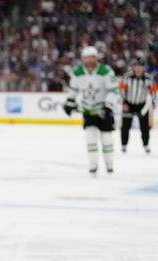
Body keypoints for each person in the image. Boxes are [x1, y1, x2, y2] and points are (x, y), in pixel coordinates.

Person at [63, 46, 119, 175]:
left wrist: (108, 105)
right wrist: (69, 102)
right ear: (83, 59)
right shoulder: (77, 72)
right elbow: (73, 89)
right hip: (88, 110)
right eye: (86, 58)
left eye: (91, 57)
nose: (89, 60)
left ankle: (109, 164)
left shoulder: (106, 71)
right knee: (90, 137)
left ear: (96, 58)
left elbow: (114, 90)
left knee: (106, 138)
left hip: (104, 110)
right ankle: (93, 165)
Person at [119, 57, 154, 154]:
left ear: (143, 68)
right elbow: (121, 90)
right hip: (128, 104)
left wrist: (154, 102)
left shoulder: (148, 78)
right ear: (133, 67)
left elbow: (154, 91)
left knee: (145, 127)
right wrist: (124, 103)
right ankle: (124, 145)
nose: (138, 69)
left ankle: (146, 145)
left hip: (141, 105)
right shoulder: (126, 77)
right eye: (136, 66)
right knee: (125, 126)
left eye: (140, 67)